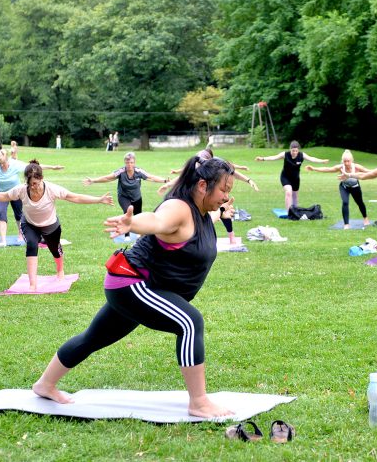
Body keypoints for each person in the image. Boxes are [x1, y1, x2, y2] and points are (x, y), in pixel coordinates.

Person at [31, 156, 237, 418]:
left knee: (94, 337)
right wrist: (132, 223)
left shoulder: (202, 213)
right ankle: (198, 402)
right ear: (202, 185)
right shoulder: (179, 209)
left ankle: (44, 384)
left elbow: (201, 225)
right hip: (133, 282)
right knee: (190, 322)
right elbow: (157, 221)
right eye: (224, 190)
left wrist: (221, 212)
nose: (225, 196)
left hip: (134, 284)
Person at [0, 160, 114, 291]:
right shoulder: (22, 190)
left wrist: (98, 200)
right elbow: (4, 196)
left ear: (42, 178)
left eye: (35, 183)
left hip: (50, 225)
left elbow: (74, 197)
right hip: (29, 224)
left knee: (55, 249)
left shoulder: (52, 189)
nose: (33, 187)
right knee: (32, 245)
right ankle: (32, 284)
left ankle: (60, 270)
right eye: (30, 184)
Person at [159, 148, 258, 243]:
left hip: (208, 200)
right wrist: (169, 182)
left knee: (222, 213)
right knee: (214, 215)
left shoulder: (215, 167)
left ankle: (231, 235)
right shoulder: (181, 203)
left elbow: (231, 169)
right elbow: (185, 173)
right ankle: (230, 234)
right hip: (193, 207)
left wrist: (248, 179)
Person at [83, 152, 169, 216]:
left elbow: (152, 177)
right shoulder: (121, 171)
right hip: (123, 196)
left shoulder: (139, 172)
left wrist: (164, 181)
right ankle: (126, 234)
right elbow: (107, 178)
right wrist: (93, 180)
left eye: (131, 162)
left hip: (136, 197)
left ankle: (138, 233)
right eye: (127, 163)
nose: (129, 165)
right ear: (125, 163)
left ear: (134, 163)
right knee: (127, 211)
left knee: (138, 215)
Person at [306, 150, 371, 229]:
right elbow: (328, 169)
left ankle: (365, 218)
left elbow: (370, 172)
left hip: (355, 187)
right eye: (344, 161)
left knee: (360, 203)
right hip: (344, 187)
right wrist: (314, 168)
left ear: (352, 160)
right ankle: (346, 224)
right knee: (345, 202)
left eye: (348, 161)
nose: (346, 163)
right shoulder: (340, 167)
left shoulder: (357, 167)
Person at [256, 141, 328, 210]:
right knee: (288, 192)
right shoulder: (285, 154)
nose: (295, 152)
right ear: (290, 149)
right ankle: (289, 213)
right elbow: (273, 157)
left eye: (296, 151)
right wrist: (262, 159)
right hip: (285, 177)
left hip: (295, 179)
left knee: (295, 196)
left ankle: (295, 211)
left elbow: (312, 159)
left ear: (298, 150)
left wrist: (322, 161)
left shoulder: (301, 155)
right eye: (293, 151)